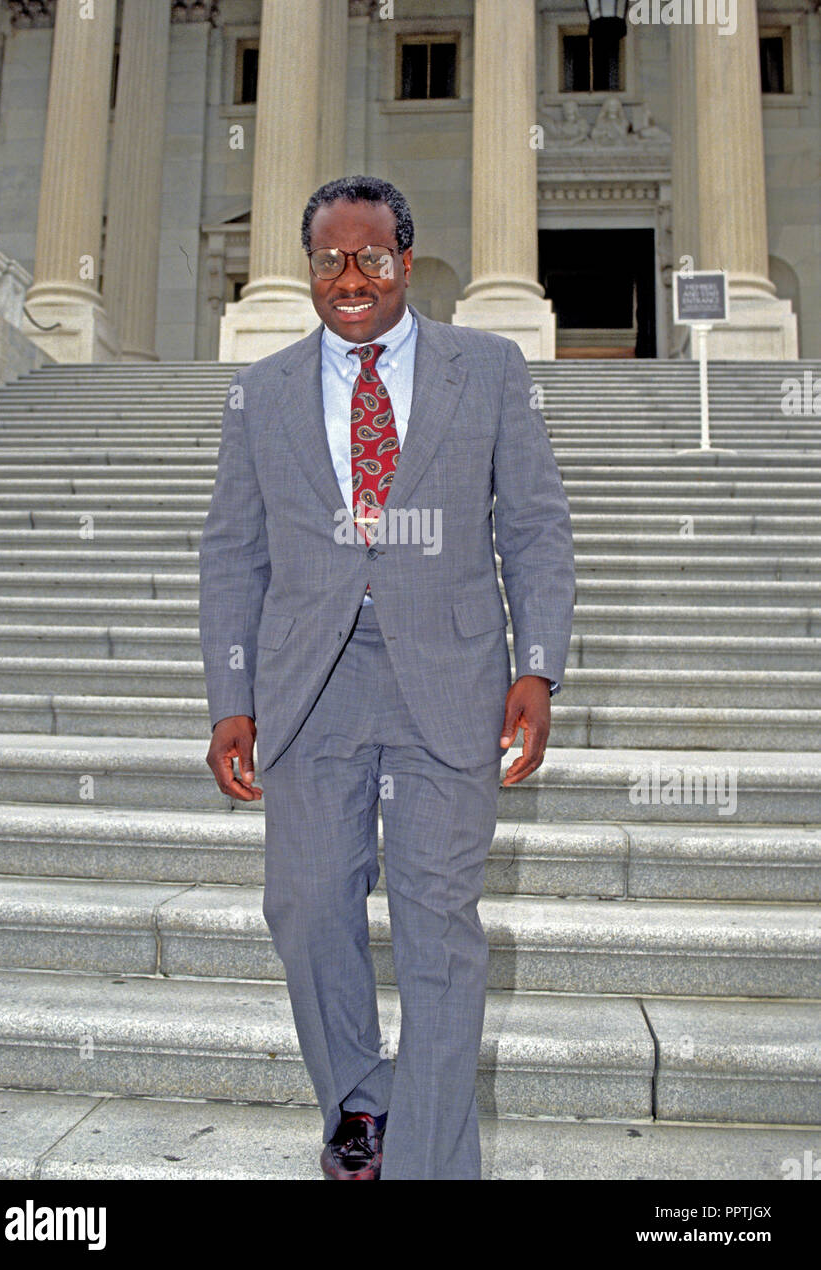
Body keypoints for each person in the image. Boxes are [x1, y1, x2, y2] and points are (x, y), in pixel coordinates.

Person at [199, 176, 575, 1180]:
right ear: (308, 268)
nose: (349, 276)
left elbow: (534, 525)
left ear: (405, 262)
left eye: (370, 256)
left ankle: (426, 1163)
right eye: (329, 258)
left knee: (437, 927)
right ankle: (361, 1100)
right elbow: (233, 552)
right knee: (307, 902)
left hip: (447, 678)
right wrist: (229, 699)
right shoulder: (263, 389)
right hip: (307, 684)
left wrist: (536, 668)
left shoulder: (486, 370)